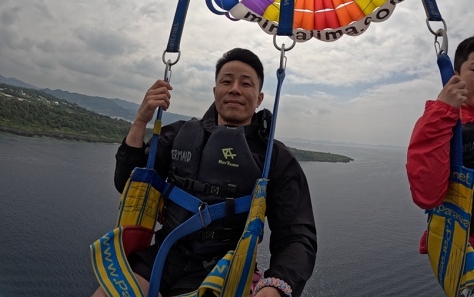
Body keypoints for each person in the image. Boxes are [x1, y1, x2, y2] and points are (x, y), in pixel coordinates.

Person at [92, 48, 317, 297]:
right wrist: (140, 122)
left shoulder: (275, 158)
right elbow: (127, 183)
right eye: (226, 81)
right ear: (215, 91)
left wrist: (276, 285)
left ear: (259, 98)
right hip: (163, 256)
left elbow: (296, 236)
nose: (235, 89)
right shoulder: (178, 135)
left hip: (225, 270)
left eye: (246, 83)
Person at [406, 33, 474, 297]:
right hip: (467, 255)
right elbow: (427, 194)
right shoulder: (441, 124)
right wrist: (443, 111)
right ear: (456, 75)